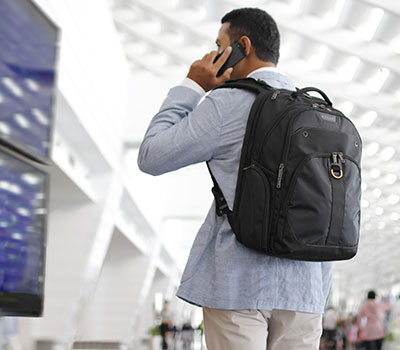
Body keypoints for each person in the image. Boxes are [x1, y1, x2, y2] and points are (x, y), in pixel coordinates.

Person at [138, 7, 332, 350]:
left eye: (219, 45)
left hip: (238, 282)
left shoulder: (230, 102)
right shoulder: (319, 113)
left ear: (243, 45)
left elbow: (152, 155)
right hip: (306, 288)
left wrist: (192, 85)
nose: (213, 54)